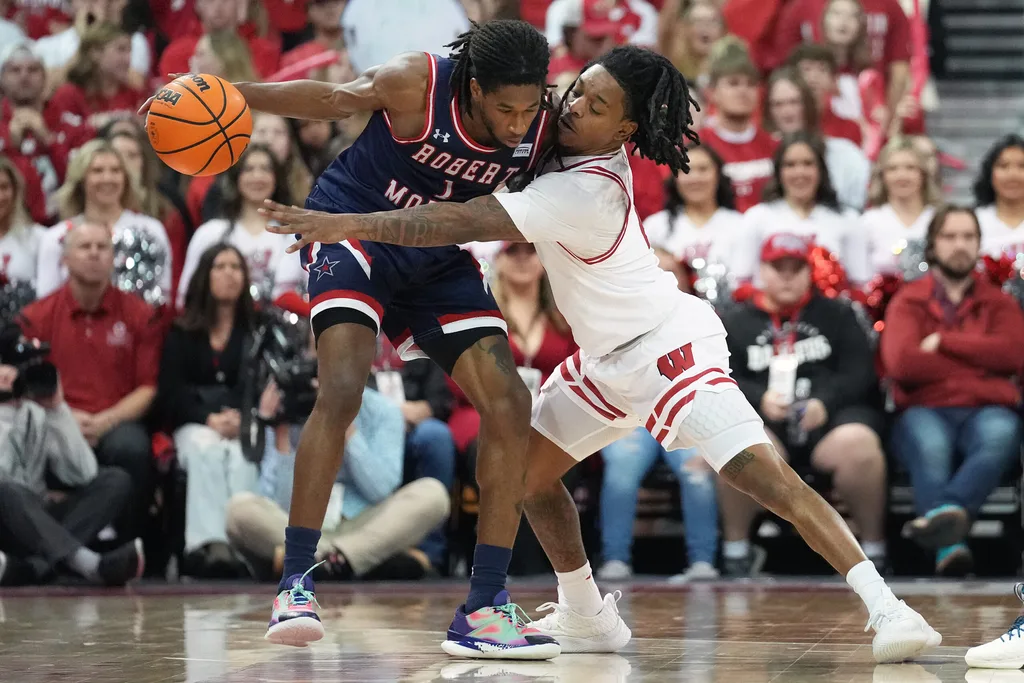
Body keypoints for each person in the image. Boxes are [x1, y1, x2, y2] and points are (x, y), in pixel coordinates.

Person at [263, 44, 942, 665]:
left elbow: (460, 222)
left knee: (765, 477)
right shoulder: (546, 129)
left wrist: (347, 222)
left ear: (622, 132)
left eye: (594, 105)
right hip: (604, 361)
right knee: (521, 470)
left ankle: (888, 607)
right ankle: (586, 611)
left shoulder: (586, 188)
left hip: (667, 345)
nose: (573, 105)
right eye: (578, 88)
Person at [144, 19, 558, 655]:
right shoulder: (416, 81)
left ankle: (484, 607)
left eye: (529, 108)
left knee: (510, 406)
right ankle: (296, 584)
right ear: (473, 88)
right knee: (341, 388)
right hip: (347, 228)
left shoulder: (539, 127)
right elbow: (332, 98)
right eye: (505, 108)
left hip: (433, 252)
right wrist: (234, 91)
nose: (516, 122)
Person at [880, 206, 1024, 576]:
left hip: (987, 411)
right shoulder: (909, 301)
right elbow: (902, 363)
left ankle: (946, 531)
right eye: (950, 236)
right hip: (925, 409)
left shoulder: (999, 302)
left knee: (1001, 433)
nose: (959, 245)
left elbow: (1013, 354)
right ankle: (950, 543)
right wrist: (983, 372)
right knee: (930, 446)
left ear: (978, 244)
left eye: (968, 237)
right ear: (932, 246)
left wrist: (943, 341)